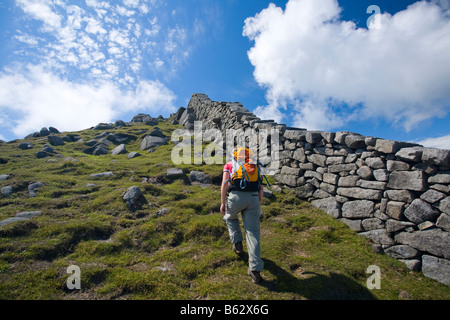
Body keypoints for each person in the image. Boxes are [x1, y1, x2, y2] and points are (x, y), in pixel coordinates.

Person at [220, 147, 264, 284]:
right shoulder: (254, 165)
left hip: (236, 197)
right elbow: (260, 186)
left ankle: (237, 243)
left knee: (230, 217)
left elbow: (224, 184)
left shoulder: (229, 164)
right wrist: (258, 202)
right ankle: (255, 270)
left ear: (235, 155)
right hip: (253, 198)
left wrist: (222, 203)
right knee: (253, 232)